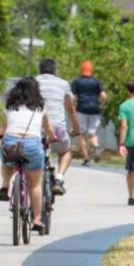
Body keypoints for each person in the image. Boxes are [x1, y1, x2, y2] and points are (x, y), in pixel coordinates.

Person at [0, 77, 58, 234]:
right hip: (32, 144)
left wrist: (1, 134)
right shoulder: (40, 107)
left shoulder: (9, 106)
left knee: (7, 160)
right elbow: (49, 129)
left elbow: (3, 129)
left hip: (11, 142)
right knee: (35, 185)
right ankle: (36, 220)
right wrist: (52, 137)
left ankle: (5, 185)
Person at [35, 58, 81, 195]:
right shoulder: (63, 84)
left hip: (35, 126)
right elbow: (71, 110)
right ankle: (59, 178)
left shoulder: (32, 82)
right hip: (57, 128)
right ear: (55, 70)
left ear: (40, 69)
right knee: (65, 151)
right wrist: (76, 128)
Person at [71, 60, 108, 165]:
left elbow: (73, 97)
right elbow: (104, 96)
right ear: (91, 70)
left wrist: (73, 106)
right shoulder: (96, 81)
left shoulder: (77, 81)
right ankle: (96, 147)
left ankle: (86, 158)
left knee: (81, 133)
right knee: (92, 133)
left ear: (81, 70)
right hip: (95, 109)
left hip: (81, 109)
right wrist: (99, 103)